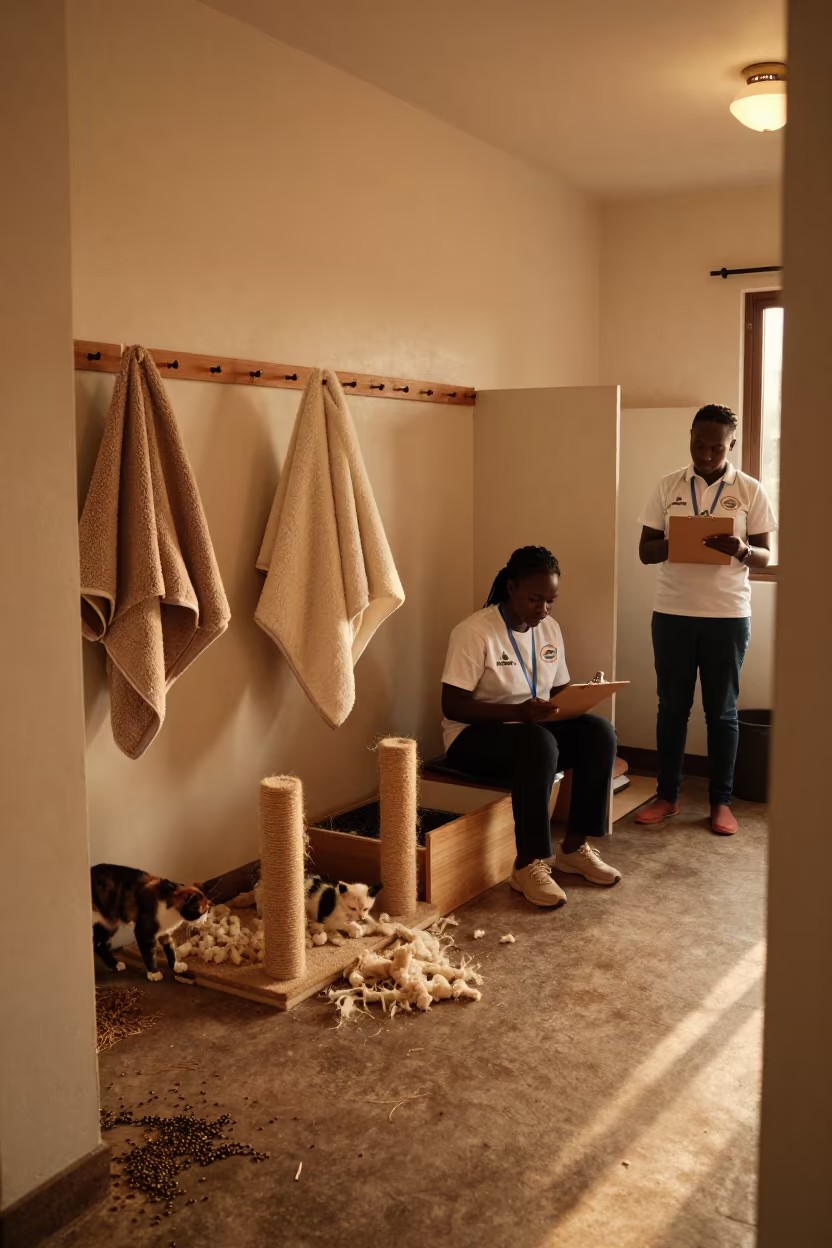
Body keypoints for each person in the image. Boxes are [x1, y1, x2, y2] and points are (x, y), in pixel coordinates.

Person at [440, 545, 621, 908]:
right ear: (511, 588)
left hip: (533, 731)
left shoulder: (550, 629)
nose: (543, 610)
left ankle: (574, 849)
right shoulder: (475, 632)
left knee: (599, 733)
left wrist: (583, 695)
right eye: (535, 599)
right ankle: (528, 865)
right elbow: (452, 705)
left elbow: (555, 692)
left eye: (550, 601)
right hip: (472, 738)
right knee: (538, 744)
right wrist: (519, 712)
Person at [636, 403, 777, 835]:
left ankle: (721, 802)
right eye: (700, 442)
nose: (707, 452)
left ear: (731, 444)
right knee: (672, 709)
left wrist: (739, 550)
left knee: (722, 713)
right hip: (673, 613)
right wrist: (681, 539)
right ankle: (668, 795)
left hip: (728, 616)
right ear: (691, 436)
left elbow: (766, 556)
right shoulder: (667, 486)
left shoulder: (750, 490)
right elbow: (645, 552)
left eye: (717, 446)